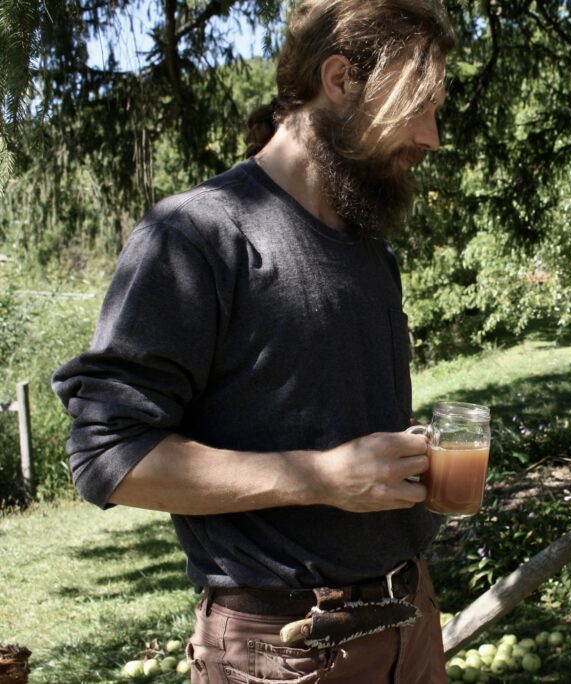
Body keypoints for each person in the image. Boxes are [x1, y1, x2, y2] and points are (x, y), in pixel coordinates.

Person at [51, 1, 456, 681]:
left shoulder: (368, 248)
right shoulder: (195, 237)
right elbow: (109, 455)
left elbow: (324, 421)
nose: (432, 135)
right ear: (340, 79)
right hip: (285, 649)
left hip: (410, 621)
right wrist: (323, 477)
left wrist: (399, 458)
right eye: (419, 105)